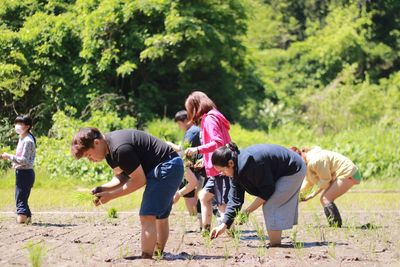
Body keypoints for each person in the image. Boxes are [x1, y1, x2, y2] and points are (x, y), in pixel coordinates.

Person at [71, 128, 184, 259]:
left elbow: (139, 180)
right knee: (160, 216)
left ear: (96, 143)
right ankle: (158, 254)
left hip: (167, 166)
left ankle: (146, 258)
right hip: (169, 165)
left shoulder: (120, 149)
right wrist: (103, 189)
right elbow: (122, 177)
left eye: (89, 155)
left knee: (147, 215)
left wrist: (111, 196)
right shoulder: (109, 151)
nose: (90, 160)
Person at [210, 143, 306, 247]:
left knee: (271, 204)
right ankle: (275, 243)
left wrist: (247, 212)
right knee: (270, 203)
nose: (222, 174)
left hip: (293, 168)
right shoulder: (236, 169)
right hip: (280, 170)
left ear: (230, 163)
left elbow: (267, 190)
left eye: (222, 171)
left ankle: (275, 245)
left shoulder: (253, 164)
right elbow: (235, 199)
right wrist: (224, 225)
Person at [184, 91, 232, 232]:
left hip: (220, 169)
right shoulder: (214, 116)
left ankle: (229, 231)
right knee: (204, 196)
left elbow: (218, 143)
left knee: (222, 203)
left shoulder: (210, 119)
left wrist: (196, 150)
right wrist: (205, 161)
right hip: (216, 167)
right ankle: (206, 230)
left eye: (190, 109)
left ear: (196, 106)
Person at [291, 146, 362, 227]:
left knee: (326, 198)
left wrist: (312, 195)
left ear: (301, 154)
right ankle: (334, 225)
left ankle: (336, 225)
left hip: (348, 173)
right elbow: (308, 181)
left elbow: (326, 182)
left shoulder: (316, 160)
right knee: (324, 199)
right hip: (343, 173)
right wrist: (297, 196)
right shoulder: (307, 161)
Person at [167, 110, 207, 221]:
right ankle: (199, 218)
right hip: (192, 166)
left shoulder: (192, 131)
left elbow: (184, 150)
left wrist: (171, 145)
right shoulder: (193, 131)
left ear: (186, 120)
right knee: (192, 195)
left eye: (179, 124)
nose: (180, 127)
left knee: (190, 198)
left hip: (190, 165)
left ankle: (199, 219)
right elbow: (184, 147)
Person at [1, 115, 36, 224]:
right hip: (21, 172)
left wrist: (9, 156)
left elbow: (24, 160)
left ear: (27, 126)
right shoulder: (22, 138)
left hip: (25, 173)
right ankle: (28, 218)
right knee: (21, 197)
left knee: (20, 198)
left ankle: (22, 222)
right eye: (17, 123)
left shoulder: (27, 141)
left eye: (20, 124)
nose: (17, 126)